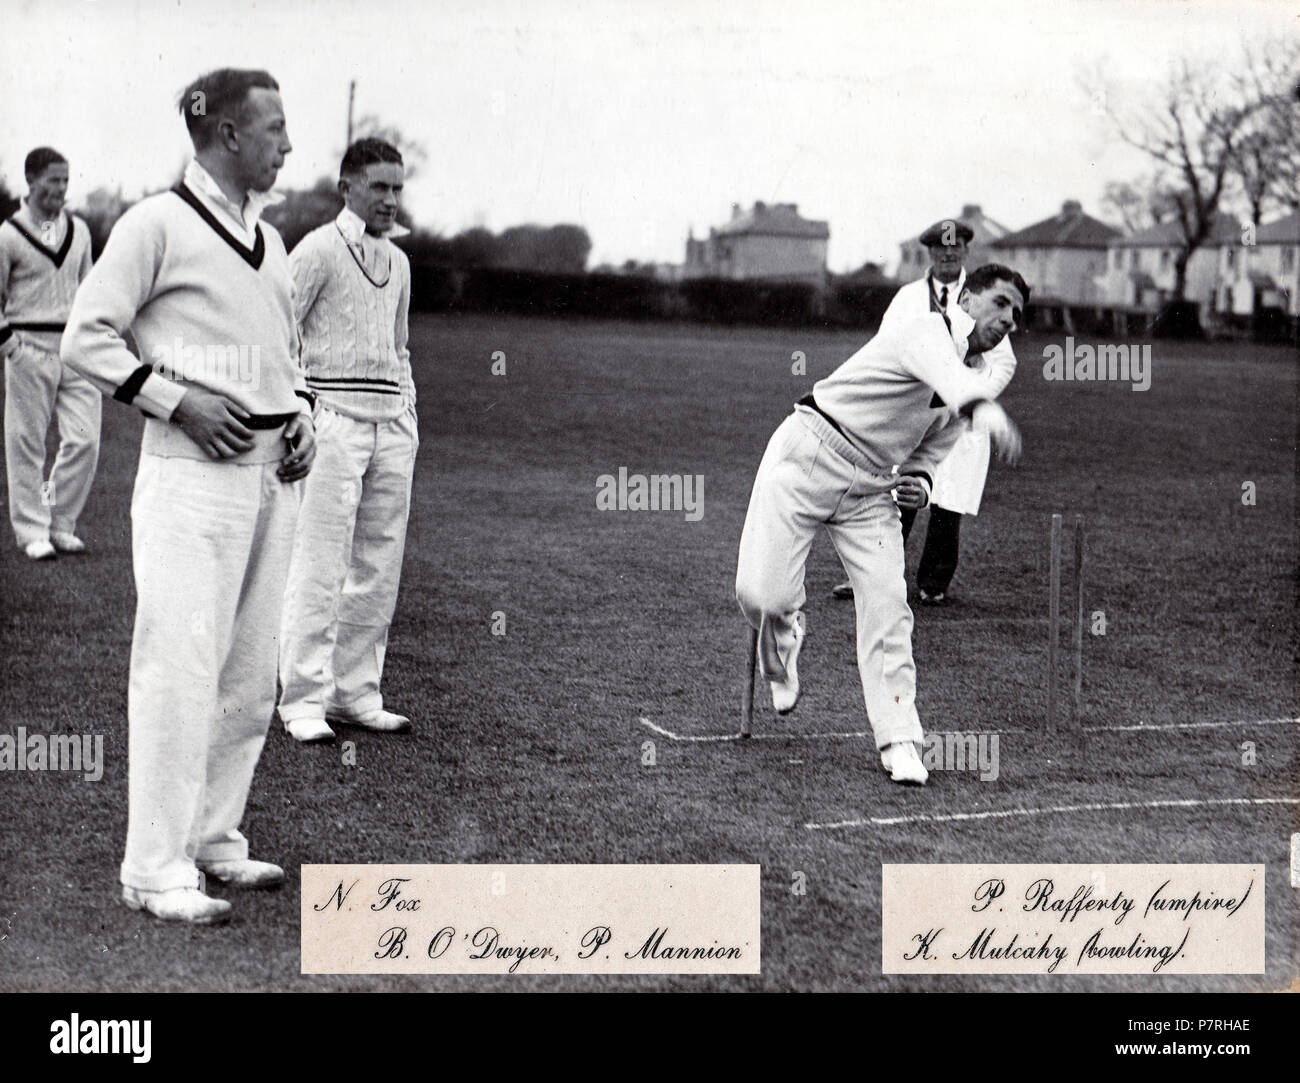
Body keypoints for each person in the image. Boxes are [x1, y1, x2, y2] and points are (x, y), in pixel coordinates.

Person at [62, 68, 314, 924]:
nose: (288, 144)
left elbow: (284, 350)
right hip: (189, 477)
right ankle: (153, 866)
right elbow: (84, 337)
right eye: (275, 128)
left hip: (272, 478)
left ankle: (214, 838)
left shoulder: (272, 243)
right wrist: (177, 401)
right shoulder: (155, 223)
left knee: (249, 674)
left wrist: (305, 411)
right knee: (179, 667)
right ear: (229, 135)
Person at [735, 264, 1028, 785]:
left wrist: (920, 481)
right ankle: (782, 639)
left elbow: (930, 451)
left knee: (890, 606)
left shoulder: (971, 377)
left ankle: (900, 740)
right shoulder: (925, 331)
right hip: (809, 451)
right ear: (967, 299)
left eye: (1017, 314)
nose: (1009, 319)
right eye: (1001, 303)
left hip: (871, 489)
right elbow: (951, 380)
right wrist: (990, 411)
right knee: (763, 596)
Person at [276, 137, 417, 744]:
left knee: (378, 564)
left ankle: (356, 692)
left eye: (397, 188)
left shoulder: (401, 261)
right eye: (379, 187)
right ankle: (302, 699)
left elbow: (401, 344)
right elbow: (276, 333)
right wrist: (299, 409)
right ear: (348, 188)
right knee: (319, 561)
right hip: (331, 418)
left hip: (392, 423)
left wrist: (407, 405)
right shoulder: (316, 251)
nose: (390, 199)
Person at [832, 217, 1016, 604]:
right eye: (941, 250)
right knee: (895, 495)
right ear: (930, 253)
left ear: (965, 251)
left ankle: (934, 584)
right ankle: (870, 577)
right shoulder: (909, 297)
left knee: (948, 503)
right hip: (914, 412)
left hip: (959, 422)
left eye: (956, 250)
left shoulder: (983, 296)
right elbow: (886, 345)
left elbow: (1004, 361)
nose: (948, 256)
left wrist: (974, 397)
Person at [0, 147, 101, 560]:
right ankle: (32, 531)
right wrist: (12, 347)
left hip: (75, 351)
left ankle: (59, 521)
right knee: (27, 443)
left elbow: (90, 289)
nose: (61, 189)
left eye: (65, 180)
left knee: (84, 440)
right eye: (53, 180)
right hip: (29, 348)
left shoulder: (79, 231)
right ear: (31, 180)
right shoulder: (8, 235)